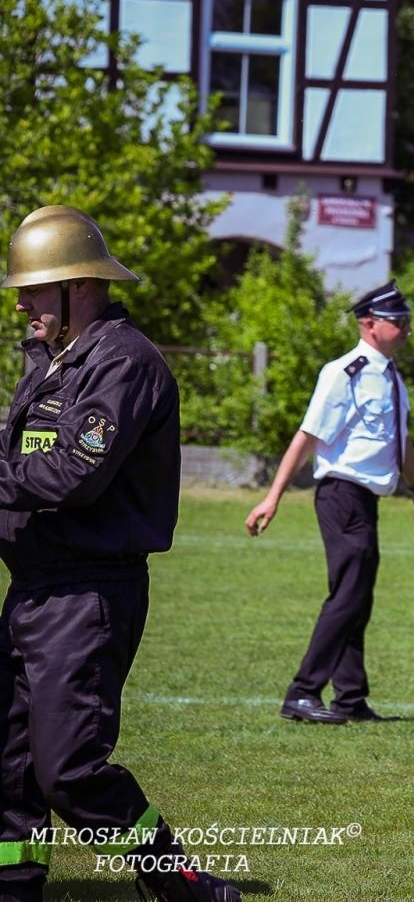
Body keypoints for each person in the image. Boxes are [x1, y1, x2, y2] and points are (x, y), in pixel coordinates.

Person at [0, 206, 239, 902]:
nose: (20, 304)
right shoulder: (49, 361)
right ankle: (13, 882)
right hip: (33, 589)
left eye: (33, 290)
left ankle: (183, 884)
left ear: (79, 286)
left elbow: (75, 473)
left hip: (86, 594)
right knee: (9, 762)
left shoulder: (123, 363)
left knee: (69, 769)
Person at [245, 281, 414, 724]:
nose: (407, 329)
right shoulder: (343, 372)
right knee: (348, 595)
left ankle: (350, 698)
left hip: (366, 499)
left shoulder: (391, 376)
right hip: (341, 495)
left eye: (407, 321)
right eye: (399, 321)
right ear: (369, 325)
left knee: (358, 596)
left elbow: (401, 442)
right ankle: (303, 692)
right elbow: (307, 437)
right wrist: (272, 498)